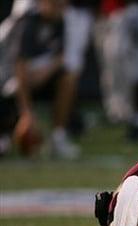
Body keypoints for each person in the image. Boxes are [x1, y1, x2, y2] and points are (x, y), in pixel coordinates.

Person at [0, 0, 80, 158]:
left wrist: (45, 72)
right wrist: (27, 113)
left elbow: (61, 56)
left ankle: (58, 136)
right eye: (56, 4)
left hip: (36, 78)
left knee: (68, 78)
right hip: (8, 80)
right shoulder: (27, 23)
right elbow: (19, 70)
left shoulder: (59, 21)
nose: (60, 9)